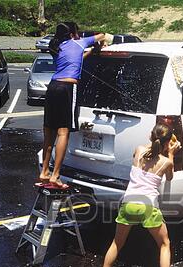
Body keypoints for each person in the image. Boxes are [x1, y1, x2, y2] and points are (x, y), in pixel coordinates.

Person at [96, 123, 181, 267]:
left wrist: (159, 147)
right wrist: (171, 153)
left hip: (128, 203)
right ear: (167, 143)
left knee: (117, 243)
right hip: (148, 206)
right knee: (164, 244)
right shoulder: (165, 162)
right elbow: (170, 177)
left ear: (150, 136)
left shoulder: (139, 149)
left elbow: (143, 155)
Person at [39, 22, 112, 188]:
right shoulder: (79, 42)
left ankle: (44, 172)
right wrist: (99, 44)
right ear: (73, 33)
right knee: (63, 131)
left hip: (53, 87)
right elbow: (104, 34)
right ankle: (55, 176)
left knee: (49, 132)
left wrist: (92, 51)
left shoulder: (56, 46)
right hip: (67, 88)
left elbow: (75, 59)